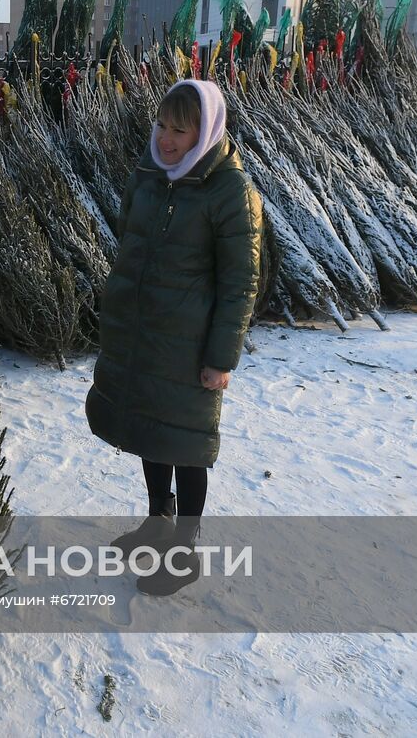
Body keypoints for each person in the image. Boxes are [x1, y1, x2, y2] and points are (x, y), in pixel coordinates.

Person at [85, 78, 262, 597]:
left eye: (180, 130)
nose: (167, 139)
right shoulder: (150, 176)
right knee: (153, 430)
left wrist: (220, 357)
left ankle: (184, 549)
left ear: (204, 131)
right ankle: (158, 522)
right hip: (145, 335)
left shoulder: (231, 192)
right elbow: (130, 243)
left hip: (190, 347)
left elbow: (240, 284)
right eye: (162, 125)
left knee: (187, 443)